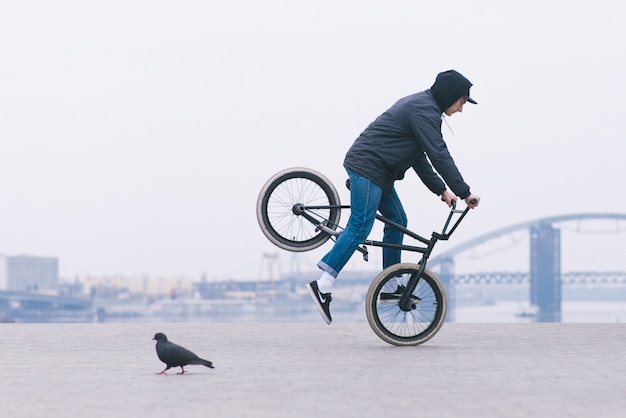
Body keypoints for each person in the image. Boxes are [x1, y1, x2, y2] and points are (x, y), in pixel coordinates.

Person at [306, 69, 481, 325]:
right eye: (462, 102)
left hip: (380, 172)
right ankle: (322, 285)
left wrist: (442, 190)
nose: (461, 109)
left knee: (398, 219)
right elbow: (438, 153)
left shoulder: (426, 109)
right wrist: (465, 193)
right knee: (360, 224)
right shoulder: (423, 110)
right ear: (451, 95)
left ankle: (389, 285)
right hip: (367, 166)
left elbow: (419, 157)